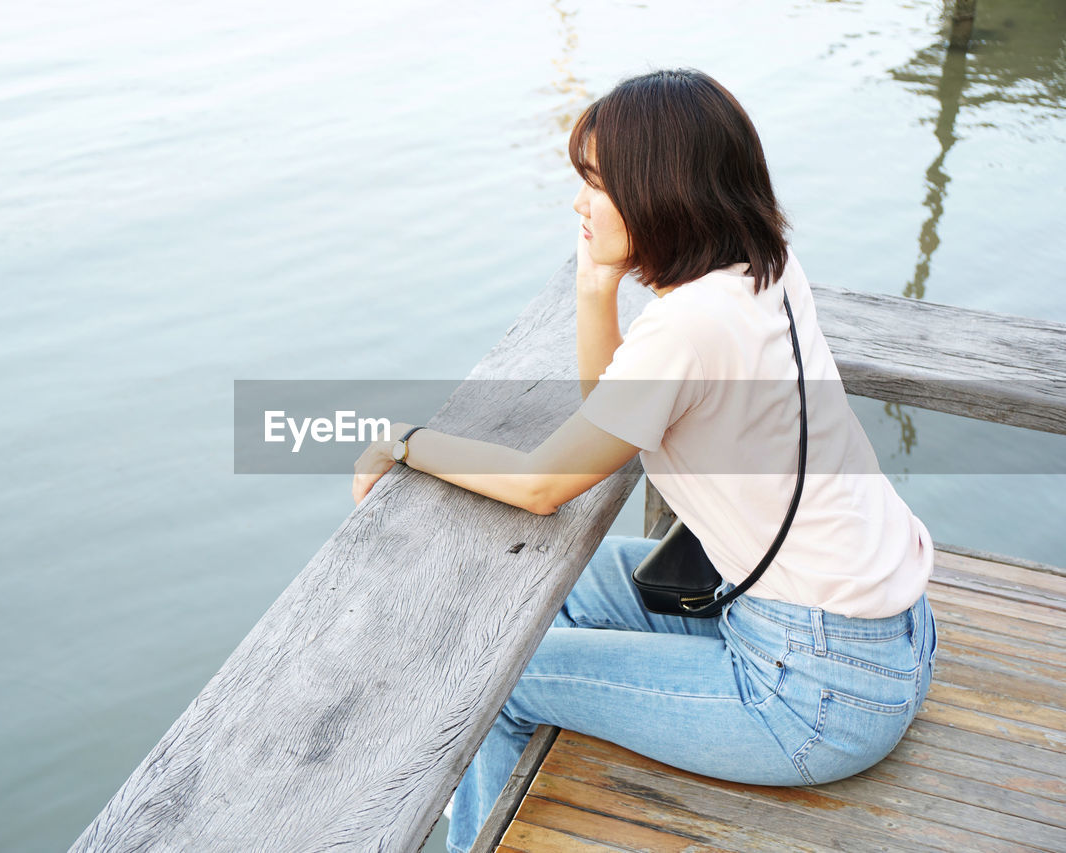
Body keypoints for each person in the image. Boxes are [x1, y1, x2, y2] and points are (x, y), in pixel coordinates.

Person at [351, 68, 937, 853]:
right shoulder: (763, 271)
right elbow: (613, 409)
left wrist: (405, 444)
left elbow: (543, 484)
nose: (578, 202)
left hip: (816, 696)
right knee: (540, 593)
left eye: (595, 183)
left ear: (658, 189)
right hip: (879, 636)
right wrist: (597, 287)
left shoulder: (690, 327)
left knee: (491, 685)